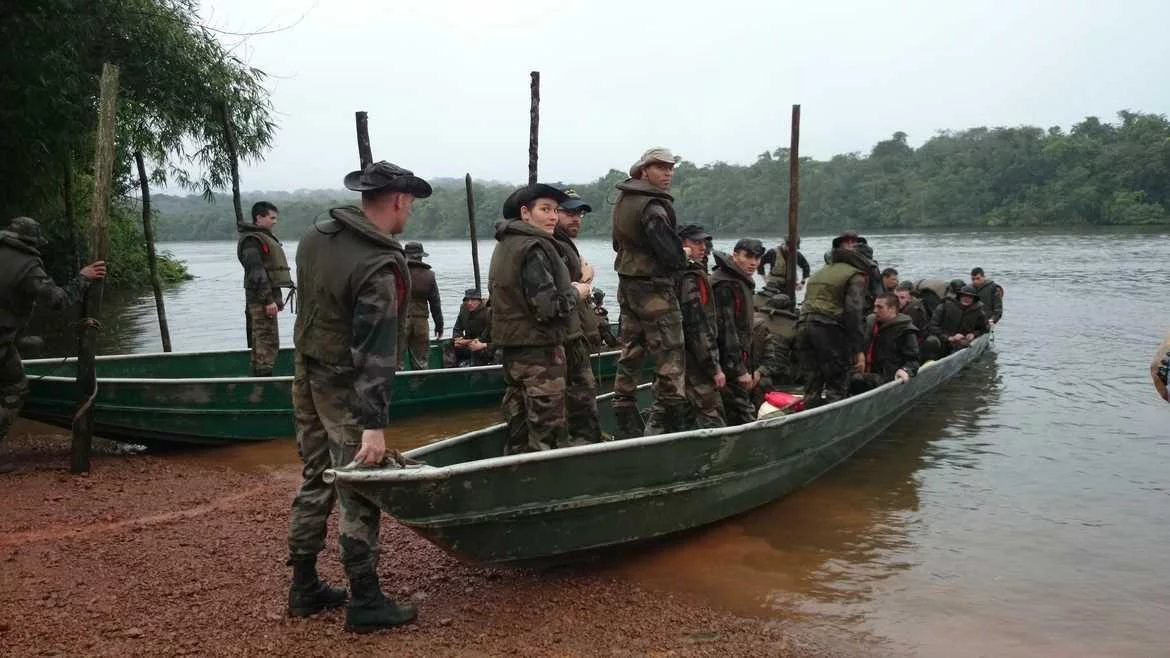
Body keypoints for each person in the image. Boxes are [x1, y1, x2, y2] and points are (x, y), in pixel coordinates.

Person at [286, 160, 431, 632]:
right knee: (360, 485)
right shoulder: (378, 265)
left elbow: (311, 304)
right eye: (410, 202)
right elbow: (375, 352)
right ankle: (365, 600)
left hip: (306, 368)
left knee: (315, 475)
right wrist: (374, 425)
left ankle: (304, 586)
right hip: (346, 382)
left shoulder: (315, 237)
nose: (410, 210)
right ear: (399, 200)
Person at [0, 217, 106, 474]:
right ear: (32, 242)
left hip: (6, 337)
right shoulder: (28, 266)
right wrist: (82, 278)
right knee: (15, 388)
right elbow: (57, 300)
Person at [489, 183, 577, 453]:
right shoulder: (533, 248)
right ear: (525, 213)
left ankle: (516, 480)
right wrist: (577, 291)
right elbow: (548, 309)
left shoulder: (506, 244)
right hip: (539, 354)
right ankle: (546, 487)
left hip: (514, 351)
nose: (552, 216)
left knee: (518, 427)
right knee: (547, 433)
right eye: (545, 209)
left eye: (555, 210)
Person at [611, 148, 689, 437]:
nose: (668, 173)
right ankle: (670, 419)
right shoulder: (653, 206)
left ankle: (623, 409)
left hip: (627, 282)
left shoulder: (623, 200)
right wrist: (684, 257)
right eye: (660, 168)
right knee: (670, 350)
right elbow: (669, 252)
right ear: (644, 171)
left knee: (632, 346)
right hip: (654, 287)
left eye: (670, 168)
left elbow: (616, 243)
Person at [645, 224, 724, 433]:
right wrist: (713, 365)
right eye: (696, 243)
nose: (703, 248)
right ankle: (720, 454)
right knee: (709, 409)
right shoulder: (689, 278)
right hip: (689, 357)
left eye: (704, 243)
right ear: (681, 245)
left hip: (671, 354)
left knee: (667, 406)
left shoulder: (670, 273)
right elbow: (696, 324)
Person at [796, 231, 874, 407]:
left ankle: (810, 415)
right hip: (829, 329)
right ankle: (835, 418)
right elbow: (853, 314)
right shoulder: (856, 275)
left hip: (803, 326)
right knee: (837, 380)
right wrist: (858, 350)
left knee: (812, 381)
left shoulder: (819, 272)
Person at [552, 188, 600, 446]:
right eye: (569, 212)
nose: (576, 219)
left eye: (579, 213)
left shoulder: (564, 243)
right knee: (578, 397)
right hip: (565, 337)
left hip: (575, 333)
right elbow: (562, 292)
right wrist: (584, 281)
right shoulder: (553, 244)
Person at [237, 201, 294, 376]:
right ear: (259, 217)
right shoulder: (252, 241)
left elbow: (268, 273)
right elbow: (256, 273)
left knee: (266, 339)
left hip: (267, 297)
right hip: (260, 299)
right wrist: (268, 300)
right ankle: (263, 380)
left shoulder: (262, 237)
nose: (274, 221)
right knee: (266, 341)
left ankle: (260, 375)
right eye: (272, 218)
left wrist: (276, 298)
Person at [712, 239, 764, 425]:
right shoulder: (725, 284)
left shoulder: (739, 280)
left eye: (757, 258)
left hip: (736, 359)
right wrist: (740, 370)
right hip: (727, 361)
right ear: (735, 256)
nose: (753, 263)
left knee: (737, 409)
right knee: (743, 412)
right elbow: (727, 330)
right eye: (748, 257)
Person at [851, 293, 920, 393]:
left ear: (892, 309)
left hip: (887, 376)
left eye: (880, 307)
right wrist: (859, 352)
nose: (875, 310)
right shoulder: (870, 322)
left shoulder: (905, 330)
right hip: (866, 370)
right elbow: (858, 341)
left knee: (857, 379)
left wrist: (905, 370)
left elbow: (913, 361)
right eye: (875, 306)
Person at [401, 242, 443, 370]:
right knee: (421, 362)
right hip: (421, 323)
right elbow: (435, 303)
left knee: (397, 361)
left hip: (401, 322)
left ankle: (399, 387)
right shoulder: (429, 275)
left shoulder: (398, 272)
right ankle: (418, 386)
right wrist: (439, 325)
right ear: (421, 256)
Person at [754, 284, 801, 389]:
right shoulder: (794, 325)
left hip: (758, 368)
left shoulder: (755, 318)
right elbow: (798, 354)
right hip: (780, 371)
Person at [929, 285, 989, 355]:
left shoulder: (979, 312)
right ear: (959, 296)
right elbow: (933, 327)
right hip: (942, 340)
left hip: (961, 345)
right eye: (964, 296)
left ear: (974, 299)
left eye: (970, 297)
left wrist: (973, 334)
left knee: (958, 348)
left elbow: (983, 329)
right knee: (931, 341)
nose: (967, 299)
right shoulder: (944, 306)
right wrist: (950, 338)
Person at [895, 282, 938, 360]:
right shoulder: (897, 309)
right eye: (896, 298)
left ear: (909, 299)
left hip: (917, 344)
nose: (898, 300)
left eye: (902, 298)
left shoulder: (913, 311)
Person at [451, 289, 493, 366]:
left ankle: (474, 370)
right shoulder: (463, 309)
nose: (469, 303)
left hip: (483, 343)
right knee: (448, 344)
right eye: (467, 300)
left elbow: (485, 337)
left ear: (479, 301)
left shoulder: (488, 311)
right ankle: (450, 371)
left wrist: (466, 341)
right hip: (467, 341)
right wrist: (457, 338)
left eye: (473, 300)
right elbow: (457, 328)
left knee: (476, 348)